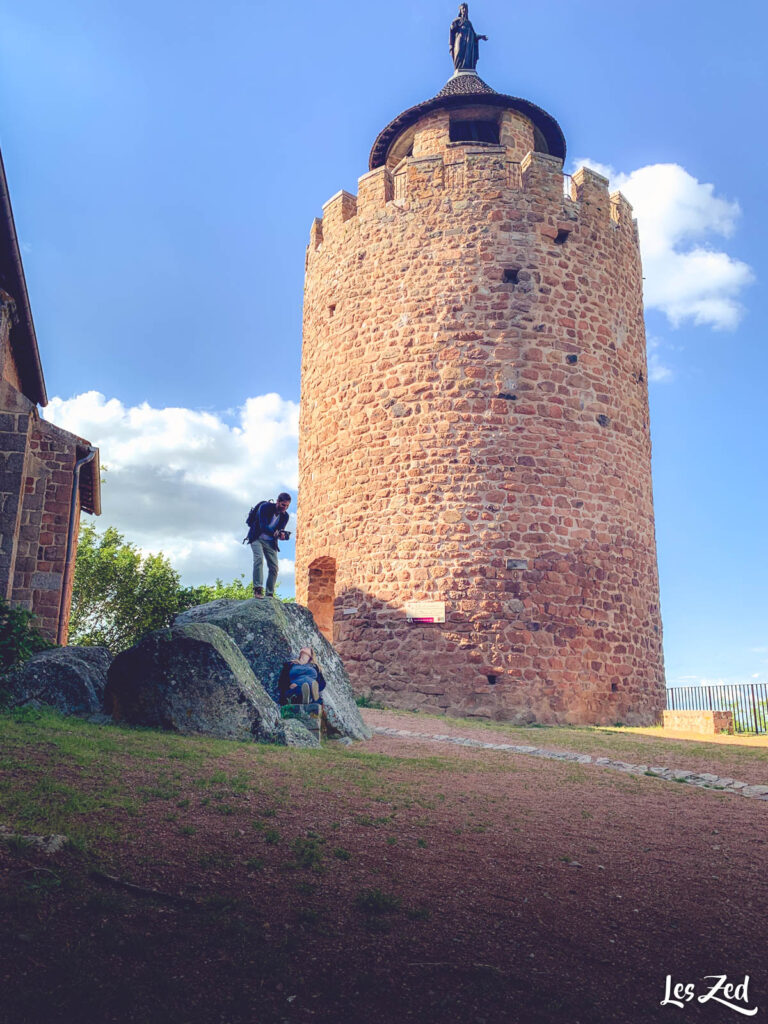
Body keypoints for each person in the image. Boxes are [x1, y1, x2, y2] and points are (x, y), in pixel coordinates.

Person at [247, 493, 291, 598]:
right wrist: (274, 533)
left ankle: (269, 593)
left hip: (270, 542)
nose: (284, 508)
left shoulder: (285, 516)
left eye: (287, 506)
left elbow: (280, 530)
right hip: (256, 537)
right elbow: (263, 526)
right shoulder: (265, 507)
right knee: (258, 559)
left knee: (274, 567)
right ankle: (258, 589)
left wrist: (283, 535)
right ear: (278, 502)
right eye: (283, 505)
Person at [449, 4, 487, 71]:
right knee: (459, 53)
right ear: (460, 10)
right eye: (463, 8)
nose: (464, 10)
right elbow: (452, 29)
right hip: (460, 38)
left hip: (469, 41)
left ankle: (468, 68)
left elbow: (474, 34)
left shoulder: (469, 22)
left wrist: (481, 36)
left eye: (466, 9)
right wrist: (452, 26)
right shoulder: (457, 20)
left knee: (468, 56)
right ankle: (458, 68)